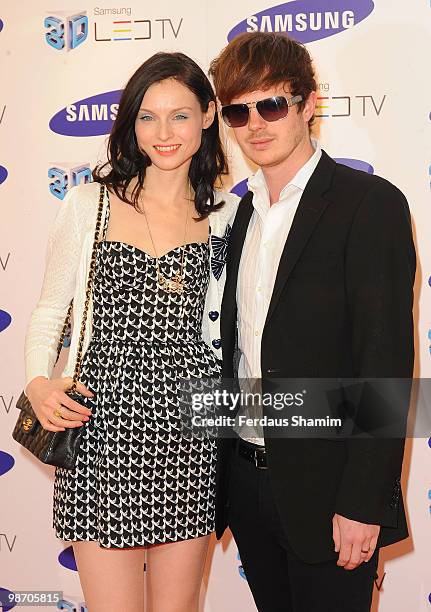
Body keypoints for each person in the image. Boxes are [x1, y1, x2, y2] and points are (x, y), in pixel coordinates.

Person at [23, 52, 238, 612]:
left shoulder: (226, 218)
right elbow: (50, 310)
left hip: (190, 435)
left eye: (180, 115)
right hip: (99, 432)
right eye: (147, 116)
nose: (163, 133)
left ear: (209, 115)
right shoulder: (89, 203)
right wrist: (39, 383)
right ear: (129, 123)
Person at [209, 32, 415, 612]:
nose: (256, 123)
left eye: (272, 104)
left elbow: (387, 362)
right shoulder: (233, 213)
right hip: (245, 482)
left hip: (332, 493)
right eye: (238, 111)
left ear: (308, 103)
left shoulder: (368, 204)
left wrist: (363, 501)